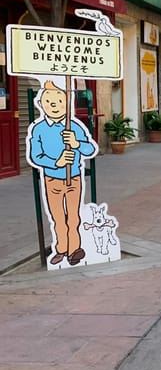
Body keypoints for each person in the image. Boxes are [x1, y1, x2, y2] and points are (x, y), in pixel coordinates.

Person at [27, 80, 98, 266]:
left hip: (73, 178)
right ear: (42, 105)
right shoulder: (39, 129)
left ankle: (75, 249)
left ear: (66, 104)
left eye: (59, 102)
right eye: (50, 102)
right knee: (58, 218)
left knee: (73, 217)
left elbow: (90, 150)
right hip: (52, 180)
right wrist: (56, 162)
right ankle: (61, 248)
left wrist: (76, 144)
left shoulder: (74, 127)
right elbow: (36, 156)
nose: (55, 106)